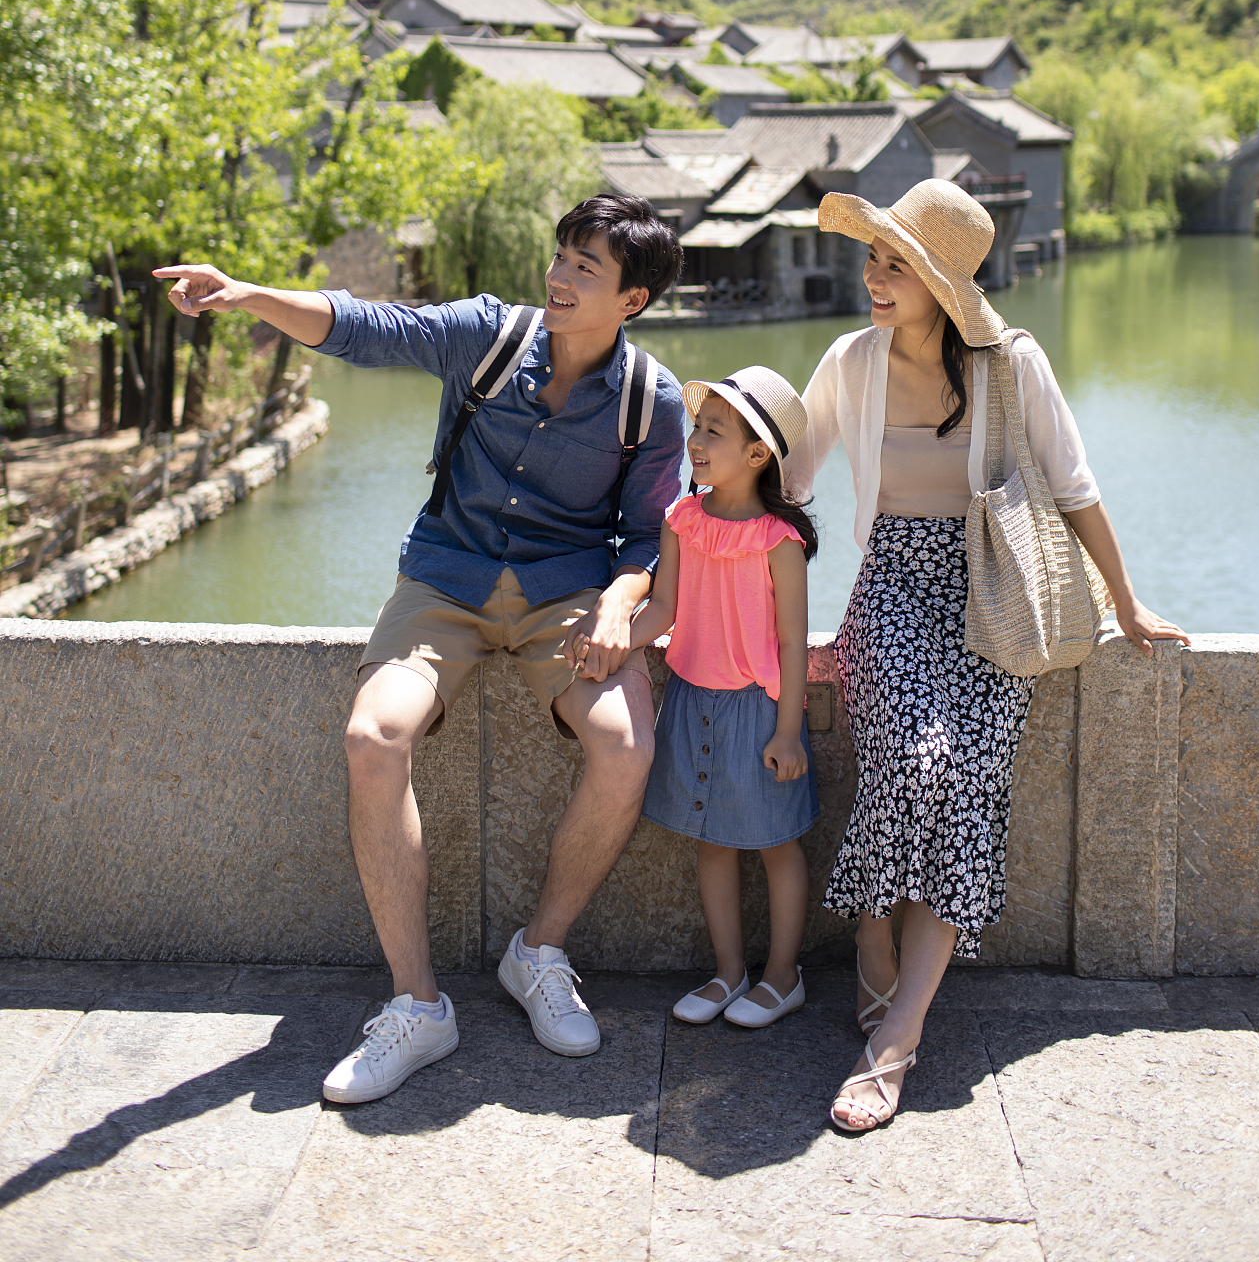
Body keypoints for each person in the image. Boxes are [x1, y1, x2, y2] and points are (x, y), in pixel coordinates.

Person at [154, 193, 686, 1102]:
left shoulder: (651, 399)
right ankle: (416, 1005)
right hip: (445, 584)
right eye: (559, 256)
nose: (558, 278)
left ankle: (539, 951)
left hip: (565, 598)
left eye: (584, 269)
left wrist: (625, 595)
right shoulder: (486, 335)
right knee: (372, 738)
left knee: (625, 743)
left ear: (630, 300)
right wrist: (245, 293)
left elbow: (648, 537)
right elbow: (366, 326)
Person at [784, 180, 1190, 1135]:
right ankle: (873, 944)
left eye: (896, 266)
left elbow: (1075, 487)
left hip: (993, 600)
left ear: (940, 284)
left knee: (964, 781)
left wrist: (1123, 606)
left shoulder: (1012, 364)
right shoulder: (851, 362)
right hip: (889, 589)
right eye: (874, 259)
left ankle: (894, 1041)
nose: (873, 278)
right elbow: (787, 479)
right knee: (911, 765)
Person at [626, 367, 820, 1030]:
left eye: (714, 430)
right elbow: (663, 608)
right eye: (696, 427)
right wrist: (611, 641)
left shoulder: (779, 540)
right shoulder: (682, 519)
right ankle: (728, 973)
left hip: (758, 711)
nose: (696, 441)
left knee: (775, 844)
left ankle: (782, 976)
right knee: (711, 842)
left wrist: (788, 731)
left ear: (758, 454)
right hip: (691, 700)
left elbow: (793, 644)